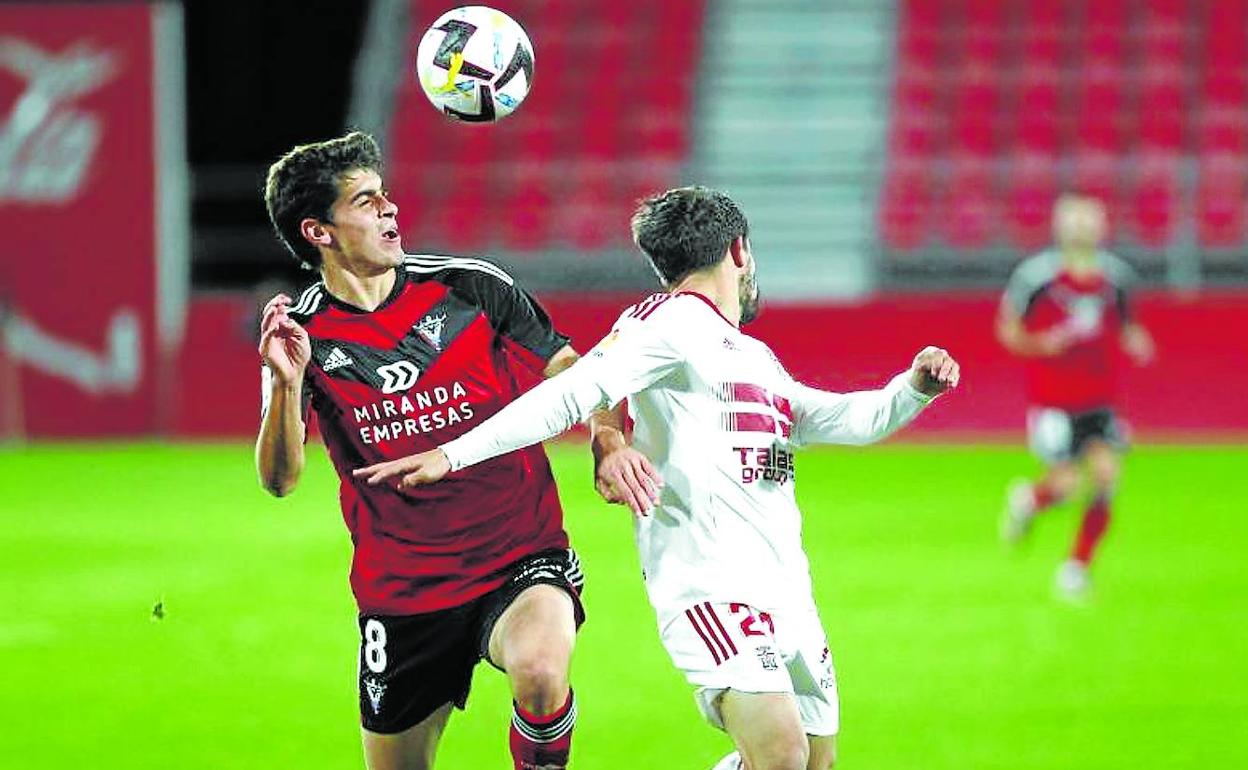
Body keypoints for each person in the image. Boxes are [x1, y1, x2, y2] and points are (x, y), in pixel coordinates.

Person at [353, 186, 961, 770]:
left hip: (788, 594)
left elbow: (838, 418)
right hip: (711, 588)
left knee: (811, 759)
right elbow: (573, 391)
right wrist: (454, 453)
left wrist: (912, 390)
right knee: (781, 755)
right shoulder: (668, 324)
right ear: (740, 251)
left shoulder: (750, 355)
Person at [255, 131, 655, 770]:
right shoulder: (301, 334)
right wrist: (284, 382)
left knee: (541, 673)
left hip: (519, 553)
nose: (389, 209)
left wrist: (609, 441)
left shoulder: (468, 286)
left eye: (385, 195)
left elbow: (580, 372)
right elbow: (279, 480)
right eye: (365, 201)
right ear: (319, 232)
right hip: (404, 591)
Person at [996, 194, 1155, 601]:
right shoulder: (1036, 277)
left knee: (1106, 477)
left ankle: (1076, 569)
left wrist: (1136, 341)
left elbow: (1124, 326)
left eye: (1091, 219)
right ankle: (1030, 499)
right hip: (1054, 401)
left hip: (1100, 400)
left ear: (1103, 226)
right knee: (1065, 487)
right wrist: (1043, 343)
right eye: (1075, 219)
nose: (1083, 226)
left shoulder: (1116, 278)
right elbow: (1008, 331)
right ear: (1059, 226)